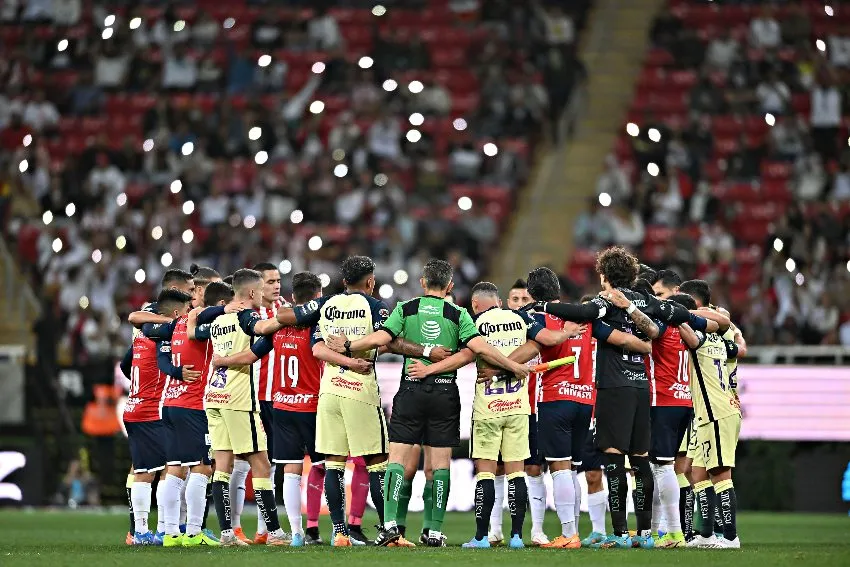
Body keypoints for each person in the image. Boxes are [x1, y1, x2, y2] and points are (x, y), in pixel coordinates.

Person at [323, 259, 531, 547]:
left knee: (396, 460)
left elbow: (384, 337)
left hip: (411, 389)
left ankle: (392, 525)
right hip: (444, 393)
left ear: (422, 282)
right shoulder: (458, 314)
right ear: (449, 286)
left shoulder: (405, 308)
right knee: (440, 464)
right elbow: (476, 348)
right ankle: (433, 530)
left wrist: (349, 345)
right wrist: (511, 364)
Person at [536, 247, 719, 549]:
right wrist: (708, 322)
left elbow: (581, 313)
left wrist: (544, 305)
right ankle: (646, 533)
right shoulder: (647, 301)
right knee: (641, 459)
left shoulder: (605, 302)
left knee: (613, 458)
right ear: (633, 275)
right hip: (641, 388)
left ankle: (620, 533)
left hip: (614, 387)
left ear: (604, 275)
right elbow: (683, 316)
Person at [274, 256, 438, 547]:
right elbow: (389, 340)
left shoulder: (327, 305)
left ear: (343, 281)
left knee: (334, 465)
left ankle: (340, 533)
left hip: (329, 393)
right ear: (371, 281)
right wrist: (425, 350)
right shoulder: (374, 306)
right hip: (359, 391)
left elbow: (317, 349)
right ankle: (389, 533)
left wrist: (343, 361)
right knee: (376, 462)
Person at [408, 281, 578, 548]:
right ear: (498, 301)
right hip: (518, 407)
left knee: (486, 473)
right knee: (516, 473)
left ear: (475, 305)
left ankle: (481, 537)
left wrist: (430, 369)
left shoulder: (474, 323)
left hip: (488, 408)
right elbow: (539, 344)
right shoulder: (522, 317)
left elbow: (464, 356)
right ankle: (517, 538)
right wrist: (514, 364)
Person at [525, 269, 652, 549]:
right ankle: (580, 533)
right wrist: (645, 344)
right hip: (586, 402)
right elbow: (621, 339)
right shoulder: (587, 319)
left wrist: (504, 365)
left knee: (560, 467)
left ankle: (569, 534)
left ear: (533, 294)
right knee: (574, 469)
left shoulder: (536, 315)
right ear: (557, 290)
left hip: (556, 398)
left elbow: (535, 346)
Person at [130, 279, 232, 547]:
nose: (192, 306)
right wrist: (229, 310)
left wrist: (175, 372)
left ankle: (170, 532)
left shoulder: (169, 327)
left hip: (169, 404)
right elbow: (207, 315)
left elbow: (159, 356)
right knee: (202, 466)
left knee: (173, 468)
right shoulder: (194, 324)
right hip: (193, 404)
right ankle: (194, 531)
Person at [200, 268, 289, 547]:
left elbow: (254, 349)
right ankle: (274, 532)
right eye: (262, 288)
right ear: (252, 292)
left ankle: (227, 532)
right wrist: (287, 318)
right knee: (261, 464)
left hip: (215, 396)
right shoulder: (246, 315)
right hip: (238, 400)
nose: (265, 293)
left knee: (222, 466)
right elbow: (260, 332)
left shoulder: (220, 319)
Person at [123, 289, 199, 546]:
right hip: (149, 410)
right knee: (158, 470)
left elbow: (125, 365)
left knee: (150, 469)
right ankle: (151, 531)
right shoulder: (160, 337)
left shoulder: (142, 337)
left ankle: (152, 530)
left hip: (134, 406)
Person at [668, 294, 741, 549]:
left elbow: (691, 337)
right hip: (709, 414)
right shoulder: (718, 335)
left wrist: (675, 317)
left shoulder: (698, 338)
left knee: (720, 474)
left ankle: (731, 537)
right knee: (697, 473)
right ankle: (707, 534)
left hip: (717, 412)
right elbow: (724, 323)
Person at [226, 262, 285, 545]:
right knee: (241, 462)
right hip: (251, 395)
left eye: (278, 280)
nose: (275, 286)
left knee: (270, 463)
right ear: (256, 288)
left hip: (279, 396)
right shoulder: (245, 312)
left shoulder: (284, 307)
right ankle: (235, 526)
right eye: (270, 281)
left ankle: (263, 530)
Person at [643, 269, 692, 548]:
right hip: (684, 401)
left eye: (659, 295)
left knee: (662, 468)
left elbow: (649, 333)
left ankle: (674, 532)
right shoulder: (688, 329)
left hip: (663, 400)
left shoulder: (663, 327)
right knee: (665, 466)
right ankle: (658, 530)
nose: (655, 301)